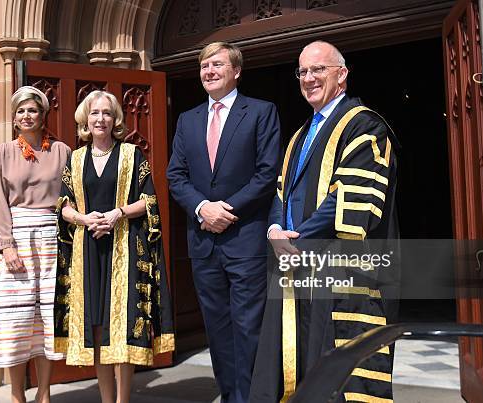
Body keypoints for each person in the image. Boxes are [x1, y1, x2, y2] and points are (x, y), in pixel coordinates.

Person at [250, 41, 399, 402]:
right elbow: (280, 192)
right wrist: (274, 229)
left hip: (342, 269)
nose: (309, 78)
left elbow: (351, 198)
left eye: (319, 69)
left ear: (342, 74)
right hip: (295, 267)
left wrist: (296, 237)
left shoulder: (365, 125)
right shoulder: (301, 134)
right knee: (294, 364)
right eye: (302, 71)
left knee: (339, 372)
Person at [166, 42, 281, 403]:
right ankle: (231, 396)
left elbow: (267, 174)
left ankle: (254, 397)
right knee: (216, 329)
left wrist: (224, 210)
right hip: (203, 242)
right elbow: (176, 176)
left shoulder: (261, 112)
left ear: (236, 71)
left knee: (249, 328)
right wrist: (202, 209)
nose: (209, 71)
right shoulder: (188, 120)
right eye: (204, 66)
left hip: (245, 238)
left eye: (217, 64)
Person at [53, 90, 174, 403]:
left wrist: (117, 214)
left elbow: (149, 200)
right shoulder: (75, 158)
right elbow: (62, 205)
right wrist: (84, 218)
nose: (100, 119)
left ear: (116, 119)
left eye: (107, 113)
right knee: (96, 329)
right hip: (88, 250)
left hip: (124, 248)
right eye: (94, 113)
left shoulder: (132, 154)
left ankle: (123, 400)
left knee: (120, 328)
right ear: (85, 119)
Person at [0, 86, 71, 403]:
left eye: (32, 110)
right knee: (15, 318)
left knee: (46, 318)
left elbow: (69, 198)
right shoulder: (2, 153)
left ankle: (45, 393)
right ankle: (16, 394)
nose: (26, 115)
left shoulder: (62, 151)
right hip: (16, 239)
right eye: (21, 111)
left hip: (51, 239)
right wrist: (6, 245)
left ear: (43, 114)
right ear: (13, 118)